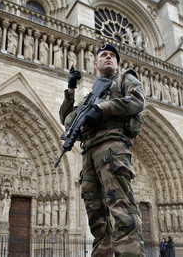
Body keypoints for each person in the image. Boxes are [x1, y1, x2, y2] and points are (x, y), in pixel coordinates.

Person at [59, 44, 145, 256]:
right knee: (95, 216)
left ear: (116, 63)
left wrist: (101, 109)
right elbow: (67, 120)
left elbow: (137, 101)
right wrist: (70, 91)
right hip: (89, 153)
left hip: (112, 148)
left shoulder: (125, 79)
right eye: (103, 55)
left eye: (112, 55)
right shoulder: (89, 97)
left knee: (122, 209)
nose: (108, 57)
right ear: (95, 64)